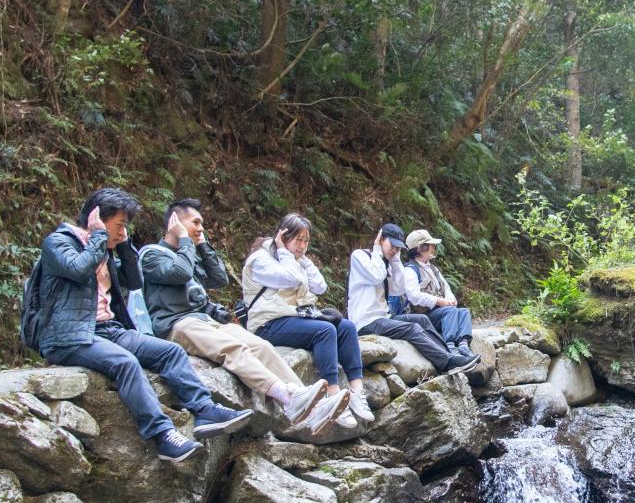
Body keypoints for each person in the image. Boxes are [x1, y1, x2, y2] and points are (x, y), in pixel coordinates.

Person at [23, 187, 250, 463]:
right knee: (125, 362)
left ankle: (204, 411)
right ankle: (163, 435)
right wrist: (98, 237)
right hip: (68, 336)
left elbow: (134, 281)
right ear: (97, 219)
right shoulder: (59, 242)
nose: (121, 232)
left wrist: (123, 245)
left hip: (106, 330)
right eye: (119, 226)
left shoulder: (104, 248)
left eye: (124, 228)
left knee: (170, 352)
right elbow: (78, 269)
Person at [140, 198, 352, 439]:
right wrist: (187, 241)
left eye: (202, 223)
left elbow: (219, 279)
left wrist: (202, 245)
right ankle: (286, 397)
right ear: (174, 222)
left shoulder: (190, 253)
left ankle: (310, 405)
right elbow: (180, 273)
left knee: (260, 346)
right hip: (175, 324)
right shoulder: (151, 254)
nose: (201, 227)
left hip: (204, 320)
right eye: (195, 222)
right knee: (232, 348)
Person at [242, 213, 375, 423]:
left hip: (291, 317)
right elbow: (290, 278)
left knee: (347, 327)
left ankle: (357, 394)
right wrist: (286, 253)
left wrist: (301, 258)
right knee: (325, 330)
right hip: (267, 323)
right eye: (298, 240)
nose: (303, 245)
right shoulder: (260, 259)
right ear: (283, 236)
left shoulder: (295, 260)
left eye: (306, 241)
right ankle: (333, 397)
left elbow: (320, 286)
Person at [348, 224, 477, 374]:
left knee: (421, 319)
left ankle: (449, 354)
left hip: (384, 317)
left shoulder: (386, 264)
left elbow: (399, 289)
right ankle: (447, 362)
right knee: (412, 328)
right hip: (365, 322)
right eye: (392, 245)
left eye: (398, 248)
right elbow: (376, 276)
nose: (394, 250)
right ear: (381, 239)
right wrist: (377, 250)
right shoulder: (360, 256)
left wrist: (395, 261)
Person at [402, 228, 475, 357]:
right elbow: (414, 296)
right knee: (450, 310)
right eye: (431, 245)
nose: (434, 248)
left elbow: (446, 288)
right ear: (421, 248)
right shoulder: (410, 270)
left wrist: (450, 300)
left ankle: (464, 344)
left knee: (463, 311)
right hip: (424, 316)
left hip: (441, 313)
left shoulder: (433, 268)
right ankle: (450, 346)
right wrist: (440, 301)